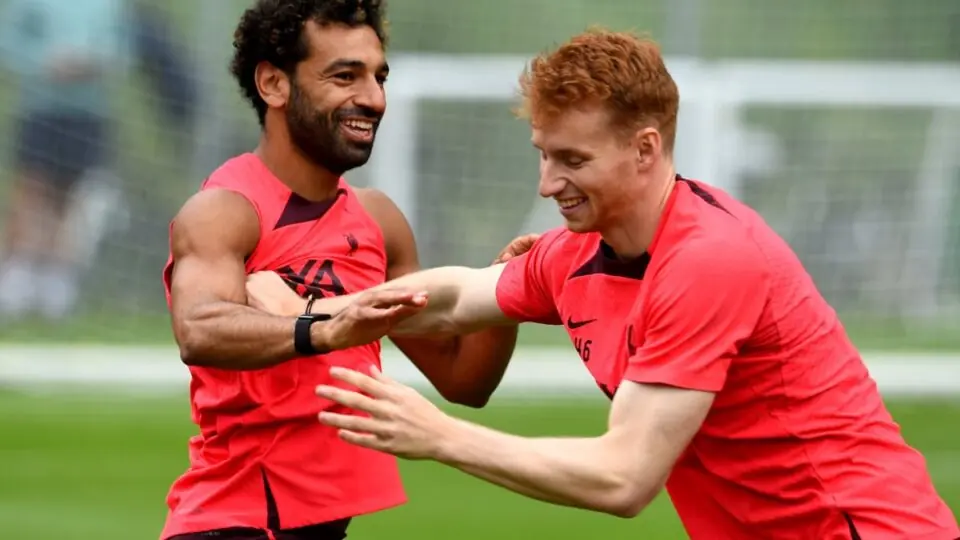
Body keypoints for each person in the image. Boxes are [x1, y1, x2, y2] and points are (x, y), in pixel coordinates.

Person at [245, 29, 960, 540]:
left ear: (645, 148)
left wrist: (438, 435)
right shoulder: (581, 251)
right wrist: (315, 315)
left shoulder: (709, 260)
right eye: (543, 154)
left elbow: (624, 477)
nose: (547, 183)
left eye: (573, 160)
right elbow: (459, 298)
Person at [160, 1, 526, 539]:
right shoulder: (227, 210)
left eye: (379, 77)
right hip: (236, 522)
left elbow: (463, 379)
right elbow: (199, 328)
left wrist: (509, 291)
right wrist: (325, 328)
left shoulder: (378, 221)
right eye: (345, 76)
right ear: (273, 84)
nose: (374, 99)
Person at [0, 0, 127, 320]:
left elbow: (122, 49)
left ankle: (56, 283)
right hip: (41, 108)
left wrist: (91, 63)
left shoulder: (110, 6)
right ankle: (19, 276)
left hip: (89, 113)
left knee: (73, 196)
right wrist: (45, 61)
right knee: (33, 189)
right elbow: (9, 43)